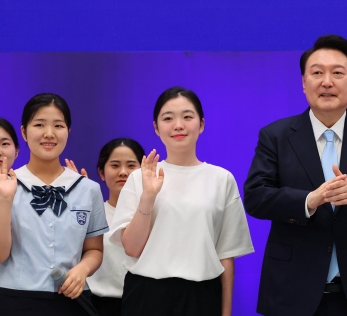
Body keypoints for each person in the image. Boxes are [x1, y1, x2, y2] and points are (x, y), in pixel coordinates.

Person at [244, 34, 347, 316]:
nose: (327, 82)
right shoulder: (275, 136)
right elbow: (255, 196)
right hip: (293, 290)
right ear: (303, 82)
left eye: (337, 73)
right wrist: (309, 200)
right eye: (317, 73)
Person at [108, 87, 254, 316]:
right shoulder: (139, 178)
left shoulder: (221, 179)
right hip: (147, 294)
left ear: (201, 124)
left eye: (187, 117)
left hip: (202, 295)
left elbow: (226, 255)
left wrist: (226, 312)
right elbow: (132, 248)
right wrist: (148, 196)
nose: (178, 125)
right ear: (156, 127)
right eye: (168, 118)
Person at [0, 93, 108, 315]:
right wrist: (5, 201)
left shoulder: (88, 189)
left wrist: (83, 269)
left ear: (68, 131)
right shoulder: (6, 186)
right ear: (24, 132)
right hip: (14, 299)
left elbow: (95, 249)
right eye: (39, 124)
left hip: (72, 299)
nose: (49, 133)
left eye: (58, 125)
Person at [85, 138, 144, 316]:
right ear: (101, 173)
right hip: (97, 306)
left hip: (144, 303)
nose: (123, 172)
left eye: (131, 165)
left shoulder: (150, 216)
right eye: (115, 165)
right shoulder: (92, 214)